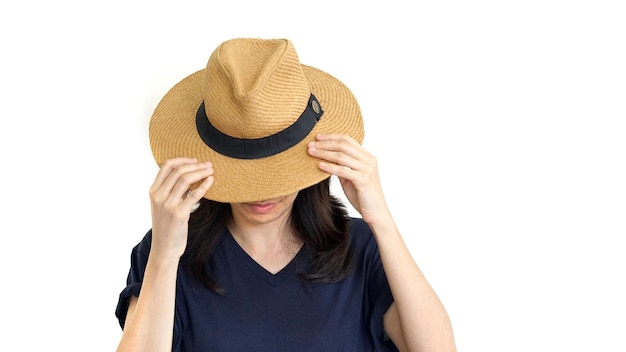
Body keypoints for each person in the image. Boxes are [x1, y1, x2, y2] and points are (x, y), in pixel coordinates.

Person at [115, 37, 457, 352]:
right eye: (243, 171)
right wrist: (164, 255)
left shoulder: (363, 249)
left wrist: (381, 218)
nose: (261, 193)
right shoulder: (167, 251)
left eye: (274, 172)